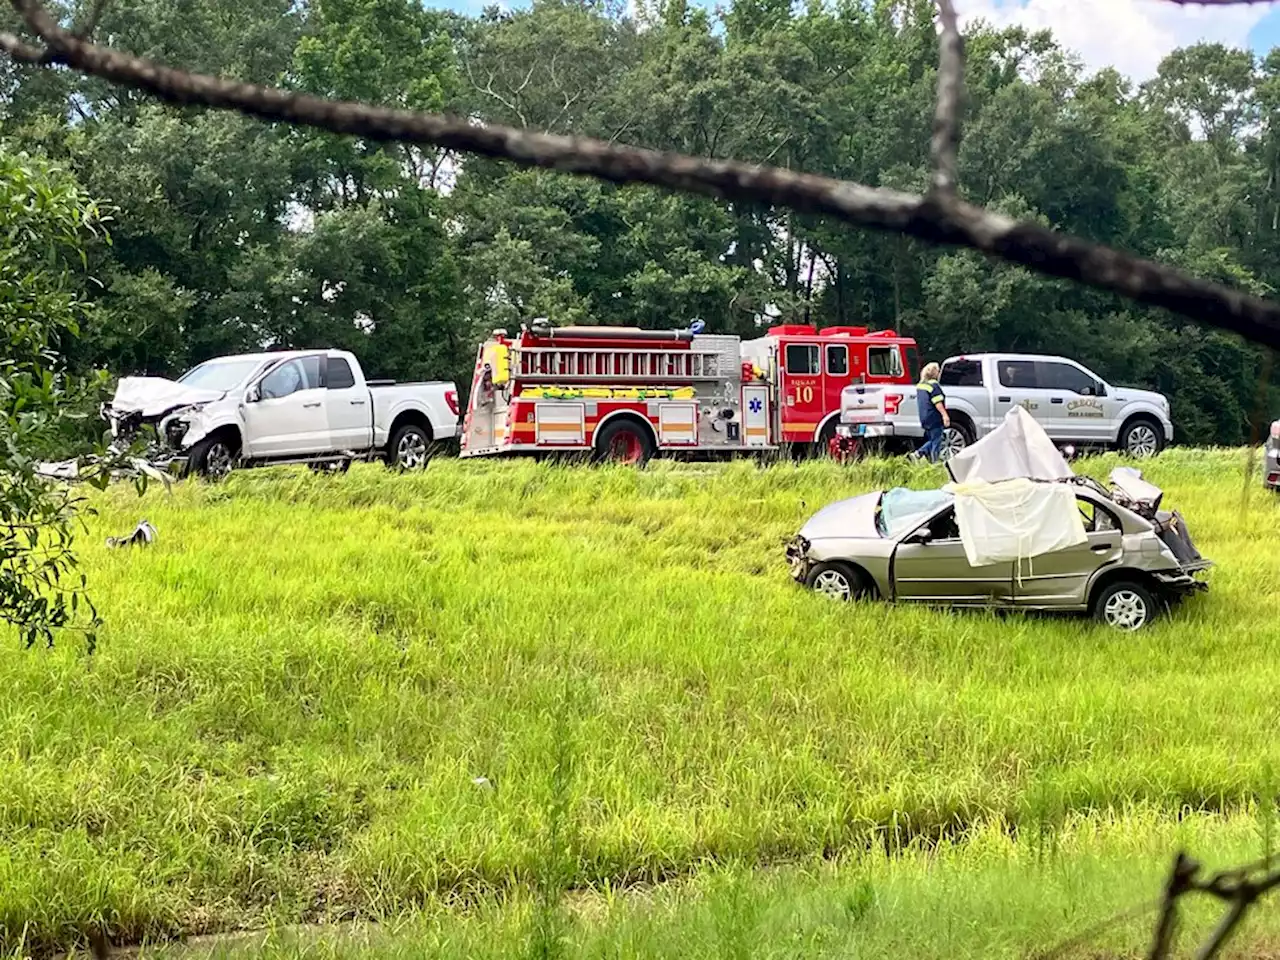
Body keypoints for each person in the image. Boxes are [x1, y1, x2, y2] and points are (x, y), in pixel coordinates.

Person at [914, 362, 950, 463]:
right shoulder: (934, 386)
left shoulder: (921, 386)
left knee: (932, 439)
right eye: (938, 371)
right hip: (934, 417)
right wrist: (945, 416)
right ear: (934, 373)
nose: (939, 373)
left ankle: (925, 458)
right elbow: (937, 402)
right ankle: (927, 458)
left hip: (924, 417)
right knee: (936, 441)